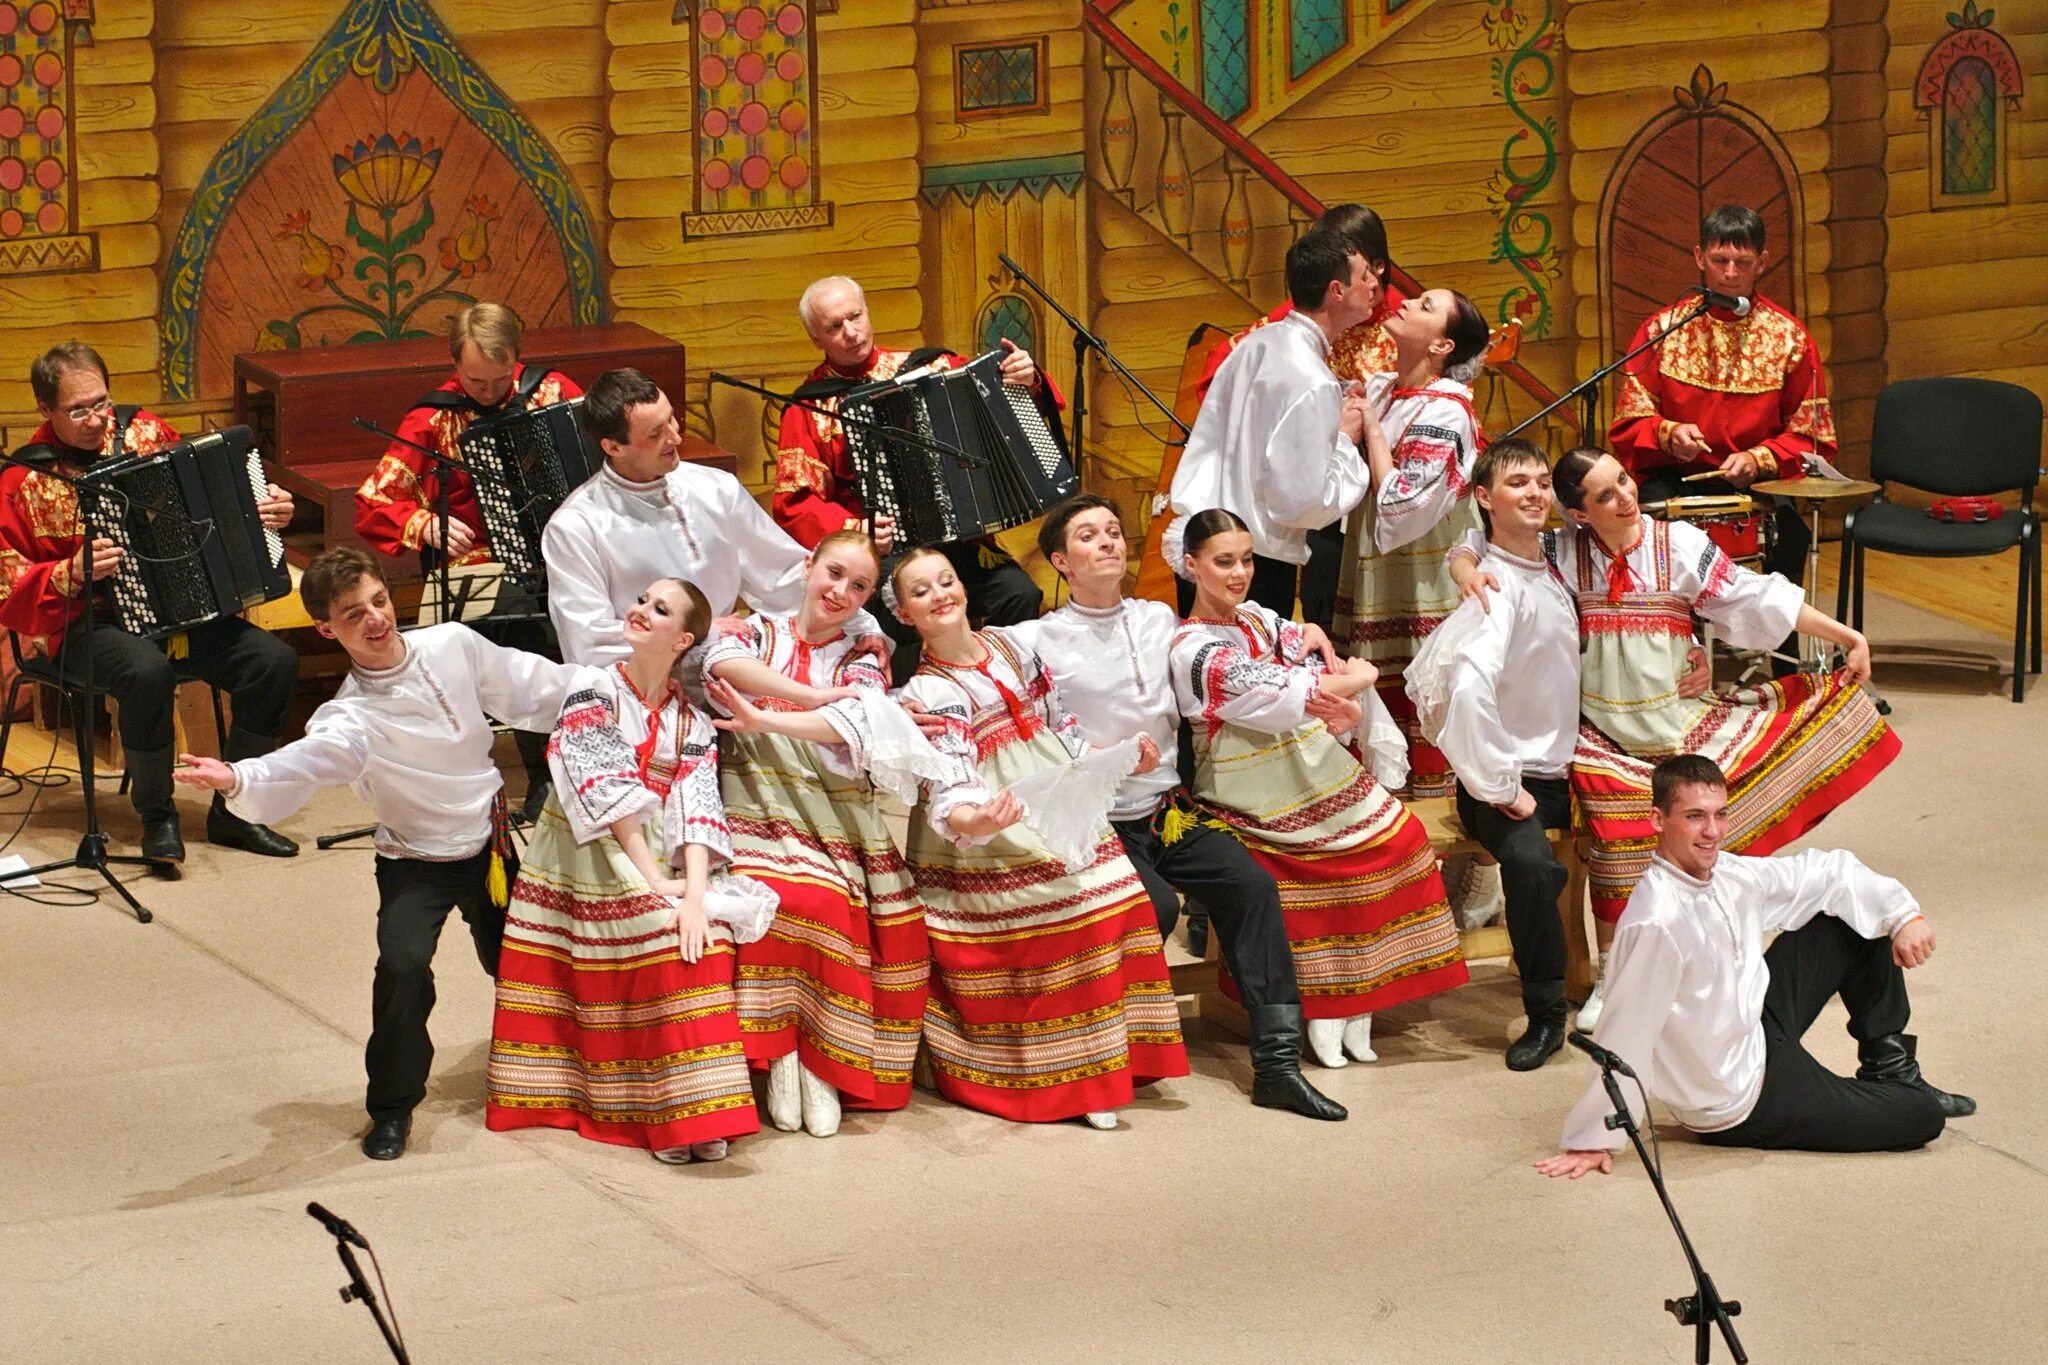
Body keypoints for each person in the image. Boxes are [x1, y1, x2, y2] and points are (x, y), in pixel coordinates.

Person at [1448, 448, 1898, 1030]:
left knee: (1709, 819)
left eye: (1625, 481)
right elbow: (1475, 545)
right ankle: (1617, 976)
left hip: (1673, 719)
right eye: (1606, 495)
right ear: (1581, 514)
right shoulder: (1561, 553)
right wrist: (1463, 571)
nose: (1626, 497)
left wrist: (1844, 634)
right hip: (1598, 733)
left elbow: (1753, 594)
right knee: (1620, 842)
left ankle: (1700, 960)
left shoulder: (1678, 544)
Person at [174, 548, 584, 1160]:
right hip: (414, 862)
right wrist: (238, 778)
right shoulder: (349, 715)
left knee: (523, 963)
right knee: (400, 970)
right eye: (352, 614)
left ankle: (561, 1074)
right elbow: (310, 760)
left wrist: (620, 686)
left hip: (489, 844)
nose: (374, 619)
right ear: (326, 629)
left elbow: (533, 684)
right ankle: (391, 1109)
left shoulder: (452, 644)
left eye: (379, 602)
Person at [1006, 494, 1346, 1120]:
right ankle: (1110, 1051)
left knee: (1250, 884)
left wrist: (1307, 633)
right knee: (1153, 904)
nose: (1108, 541)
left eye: (1114, 530)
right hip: (1098, 818)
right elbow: (983, 683)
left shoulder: (1160, 620)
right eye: (1088, 536)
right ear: (1060, 560)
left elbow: (1244, 636)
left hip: (1167, 809)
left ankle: (1276, 1064)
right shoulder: (1033, 639)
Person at [1537, 755, 1972, 1176]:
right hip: (1741, 1097)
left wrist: (1903, 916)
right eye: (1694, 817)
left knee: (1856, 916)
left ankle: (1892, 1068)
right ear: (1657, 821)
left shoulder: (1728, 873)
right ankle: (1899, 1095)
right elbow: (1624, 1032)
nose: (1712, 832)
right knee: (1921, 1117)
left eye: (1719, 815)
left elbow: (1826, 872)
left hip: (1756, 1029)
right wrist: (1594, 1137)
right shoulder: (1656, 923)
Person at [891, 546, 1189, 1128]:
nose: (940, 595)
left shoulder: (1010, 645)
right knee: (1068, 912)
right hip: (992, 822)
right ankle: (1063, 1074)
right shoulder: (925, 694)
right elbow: (949, 776)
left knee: (1122, 899)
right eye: (921, 591)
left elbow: (1061, 727)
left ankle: (1110, 1060)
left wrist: (1113, 758)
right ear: (905, 614)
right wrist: (976, 821)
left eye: (946, 581)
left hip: (1057, 799)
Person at [1171, 509, 1469, 1069]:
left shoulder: (1255, 621)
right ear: (1191, 566)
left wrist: (1314, 645)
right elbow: (1282, 688)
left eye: (1246, 559)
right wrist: (1353, 677)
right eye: (1223, 562)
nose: (1239, 573)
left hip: (1309, 764)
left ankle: (1362, 997)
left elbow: (1302, 645)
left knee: (1399, 836)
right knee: (1315, 862)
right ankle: (1324, 1002)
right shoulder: (1193, 648)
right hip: (1247, 783)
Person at [486, 578, 768, 1165]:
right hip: (587, 853)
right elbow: (606, 793)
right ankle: (660, 1113)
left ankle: (690, 1110)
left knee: (706, 936)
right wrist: (653, 886)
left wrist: (693, 894)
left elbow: (698, 810)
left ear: (683, 638)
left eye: (659, 609)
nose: (640, 611)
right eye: (641, 600)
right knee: (666, 939)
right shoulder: (593, 686)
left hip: (656, 849)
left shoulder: (690, 720)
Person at [3, 342, 300, 864]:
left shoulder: (145, 433)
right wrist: (69, 573)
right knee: (147, 672)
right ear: (45, 410)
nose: (97, 419)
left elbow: (207, 504)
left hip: (176, 609)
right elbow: (7, 589)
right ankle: (157, 817)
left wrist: (263, 511)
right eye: (78, 410)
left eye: (101, 401)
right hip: (82, 626)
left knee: (273, 663)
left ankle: (237, 813)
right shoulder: (23, 481)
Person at [699, 529, 936, 1138]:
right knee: (784, 900)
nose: (841, 592)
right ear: (808, 566)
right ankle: (783, 1055)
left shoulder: (867, 648)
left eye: (858, 586)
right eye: (833, 573)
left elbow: (855, 719)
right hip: (753, 796)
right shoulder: (754, 628)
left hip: (835, 811)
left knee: (833, 902)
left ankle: (816, 1060)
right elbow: (719, 665)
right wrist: (810, 696)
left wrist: (763, 714)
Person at [354, 302, 581, 818]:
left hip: (568, 548)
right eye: (476, 381)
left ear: (517, 362)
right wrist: (423, 523)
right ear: (456, 364)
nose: (489, 392)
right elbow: (374, 502)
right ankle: (544, 774)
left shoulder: (555, 393)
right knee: (526, 620)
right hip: (480, 561)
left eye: (500, 379)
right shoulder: (432, 418)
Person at [773, 275, 1052, 681]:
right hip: (886, 553)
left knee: (1019, 594)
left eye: (856, 316)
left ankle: (1006, 688)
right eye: (834, 327)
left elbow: (1006, 402)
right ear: (816, 338)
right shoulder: (808, 408)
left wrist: (1028, 377)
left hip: (963, 538)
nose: (851, 333)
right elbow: (795, 502)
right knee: (898, 614)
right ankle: (912, 703)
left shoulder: (933, 367)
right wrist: (857, 529)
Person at [1404, 440, 1583, 1071]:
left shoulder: (1559, 564)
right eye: (1517, 484)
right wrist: (1503, 786)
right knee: (1533, 869)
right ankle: (1547, 1013)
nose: (1535, 492)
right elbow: (1467, 695)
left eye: (1541, 481)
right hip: (1506, 779)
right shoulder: (1493, 587)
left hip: (1567, 765)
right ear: (1484, 498)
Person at [542, 367, 879, 669]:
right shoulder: (575, 527)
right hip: (643, 688)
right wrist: (699, 634)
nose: (675, 437)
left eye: (671, 419)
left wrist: (862, 627)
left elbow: (782, 576)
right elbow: (589, 641)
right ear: (613, 447)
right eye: (655, 433)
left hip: (731, 667)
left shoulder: (716, 488)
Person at [1187, 204, 1404, 627]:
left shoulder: (1266, 340)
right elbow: (1306, 503)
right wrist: (1342, 438)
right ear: (1336, 288)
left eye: (1375, 269)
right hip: (1264, 537)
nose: (1374, 282)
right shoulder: (1304, 366)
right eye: (1364, 275)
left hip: (1228, 523)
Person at [1609, 204, 1829, 598]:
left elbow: (1812, 437)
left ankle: (1786, 657)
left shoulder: (1790, 338)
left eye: (1741, 263)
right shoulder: (1663, 329)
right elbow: (1629, 421)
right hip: (1677, 480)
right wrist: (1668, 433)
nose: (1729, 274)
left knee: (1792, 537)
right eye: (1719, 260)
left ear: (1761, 263)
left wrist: (1759, 458)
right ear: (1699, 258)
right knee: (1639, 526)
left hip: (1760, 484)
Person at [1329, 287, 1492, 800]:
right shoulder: (1383, 388)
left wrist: (1373, 431)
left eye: (1425, 307)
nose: (1405, 304)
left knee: (1429, 693)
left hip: (1424, 576)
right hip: (1376, 570)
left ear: (1443, 346)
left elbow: (1402, 504)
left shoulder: (1446, 411)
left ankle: (1470, 862)